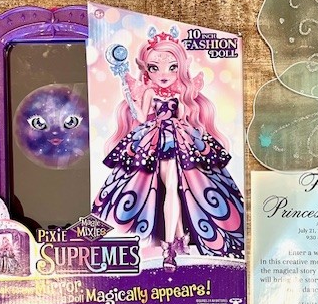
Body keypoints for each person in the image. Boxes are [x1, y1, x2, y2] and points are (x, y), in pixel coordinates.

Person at [93, 29, 244, 272]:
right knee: (171, 186)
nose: (164, 74)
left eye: (172, 67)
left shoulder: (179, 93)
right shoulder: (149, 92)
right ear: (146, 69)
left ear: (180, 68)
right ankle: (171, 246)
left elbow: (183, 115)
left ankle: (177, 241)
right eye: (155, 68)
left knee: (178, 186)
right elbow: (142, 117)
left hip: (178, 137)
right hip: (157, 139)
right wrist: (129, 96)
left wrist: (191, 130)